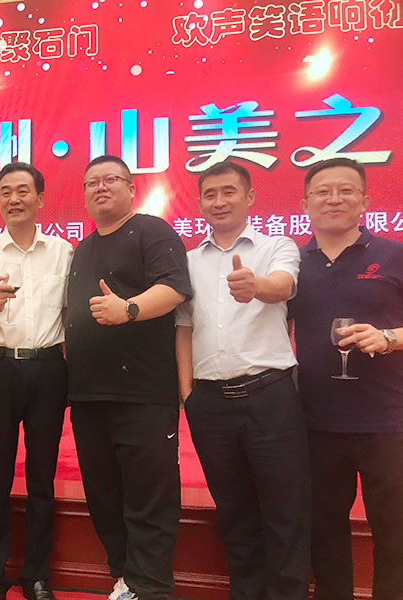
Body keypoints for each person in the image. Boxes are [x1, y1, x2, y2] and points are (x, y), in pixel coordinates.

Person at [175, 161, 310, 599]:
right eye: (210, 194)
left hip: (269, 396)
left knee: (285, 510)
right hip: (209, 403)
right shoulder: (188, 261)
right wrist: (188, 395)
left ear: (250, 197)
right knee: (233, 511)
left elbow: (283, 286)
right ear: (199, 203)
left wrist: (256, 287)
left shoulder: (277, 245)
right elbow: (184, 328)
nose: (219, 201)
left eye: (229, 191)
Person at [65, 155, 191, 600]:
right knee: (103, 496)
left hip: (142, 393)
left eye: (111, 179)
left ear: (131, 188)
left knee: (149, 495)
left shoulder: (153, 231)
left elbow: (174, 288)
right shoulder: (82, 248)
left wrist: (129, 309)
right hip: (89, 394)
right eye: (91, 182)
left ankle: (151, 587)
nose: (100, 187)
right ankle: (125, 578)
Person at [289, 157, 403, 600]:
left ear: (365, 200)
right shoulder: (292, 264)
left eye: (346, 190)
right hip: (314, 421)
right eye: (323, 191)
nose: (334, 199)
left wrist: (389, 338)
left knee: (393, 531)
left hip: (387, 421)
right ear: (305, 203)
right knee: (324, 530)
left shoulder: (394, 255)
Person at [0, 162, 73, 600]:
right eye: (6, 191)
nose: (14, 199)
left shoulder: (64, 252)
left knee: (42, 477)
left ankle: (37, 575)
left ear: (40, 199)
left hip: (48, 369)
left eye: (23, 190)